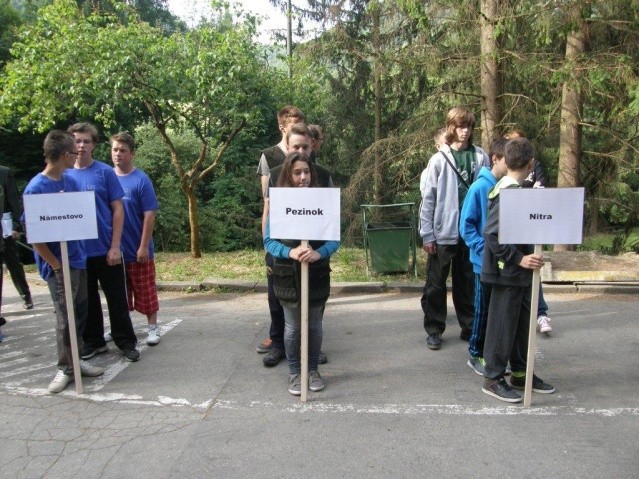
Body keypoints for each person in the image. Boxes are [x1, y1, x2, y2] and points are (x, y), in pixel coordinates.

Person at [23, 130, 105, 393]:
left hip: (78, 260)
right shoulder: (36, 188)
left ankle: (76, 361)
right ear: (63, 155)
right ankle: (65, 368)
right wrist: (57, 266)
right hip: (58, 266)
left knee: (79, 313)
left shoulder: (70, 181)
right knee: (64, 317)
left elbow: (81, 218)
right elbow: (35, 237)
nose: (78, 154)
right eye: (73, 151)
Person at [481, 137, 555, 403]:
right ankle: (493, 377)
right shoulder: (507, 194)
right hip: (507, 272)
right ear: (531, 164)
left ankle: (521, 374)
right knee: (502, 326)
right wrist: (519, 259)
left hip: (521, 274)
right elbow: (491, 234)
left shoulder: (519, 190)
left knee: (523, 325)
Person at [263, 152, 340, 395]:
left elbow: (335, 238)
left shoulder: (323, 201)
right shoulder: (279, 203)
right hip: (288, 276)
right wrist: (290, 252)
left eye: (306, 172)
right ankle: (295, 373)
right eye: (297, 173)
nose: (303, 177)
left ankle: (312, 370)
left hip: (316, 273)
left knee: (314, 325)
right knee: (293, 327)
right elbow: (268, 241)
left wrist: (320, 253)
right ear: (289, 175)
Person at [66, 122, 140, 362]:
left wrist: (115, 246)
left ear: (94, 145)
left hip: (106, 248)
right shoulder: (64, 174)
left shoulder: (105, 172)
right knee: (86, 301)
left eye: (86, 141)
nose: (81, 146)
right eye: (77, 141)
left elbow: (118, 210)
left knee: (117, 299)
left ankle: (126, 342)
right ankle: (94, 342)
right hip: (79, 252)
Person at [260, 122, 331, 367]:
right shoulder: (276, 174)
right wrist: (272, 249)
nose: (301, 151)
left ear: (312, 146)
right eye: (296, 147)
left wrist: (320, 252)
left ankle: (311, 353)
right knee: (280, 304)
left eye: (305, 147)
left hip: (315, 256)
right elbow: (268, 211)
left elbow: (329, 222)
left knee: (314, 313)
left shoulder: (323, 174)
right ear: (287, 147)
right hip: (284, 254)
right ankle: (279, 345)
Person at [419, 107, 490, 350]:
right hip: (443, 232)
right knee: (436, 283)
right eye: (460, 126)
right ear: (451, 128)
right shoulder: (439, 159)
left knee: (467, 282)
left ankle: (469, 327)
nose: (465, 131)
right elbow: (428, 199)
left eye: (468, 126)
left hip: (470, 231)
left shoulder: (480, 156)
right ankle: (434, 329)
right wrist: (427, 234)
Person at [459, 138, 508, 376]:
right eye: (508, 160)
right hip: (482, 264)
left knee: (496, 311)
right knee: (482, 310)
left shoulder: (507, 187)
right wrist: (483, 249)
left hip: (502, 261)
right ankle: (475, 353)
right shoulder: (479, 188)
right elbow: (466, 227)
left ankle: (491, 354)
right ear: (495, 159)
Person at [109, 132, 161, 346]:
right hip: (115, 251)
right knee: (118, 295)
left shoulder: (141, 179)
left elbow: (149, 214)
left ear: (132, 154)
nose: (118, 154)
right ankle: (120, 329)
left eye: (122, 150)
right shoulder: (107, 177)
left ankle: (153, 328)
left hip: (137, 248)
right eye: (115, 149)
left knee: (145, 290)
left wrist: (143, 246)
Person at [504, 129, 552, 334]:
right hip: (513, 224)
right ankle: (519, 316)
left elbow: (540, 188)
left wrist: (527, 190)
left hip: (530, 221)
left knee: (533, 265)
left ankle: (541, 313)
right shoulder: (505, 173)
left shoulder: (534, 165)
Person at [0, 164, 33, 311]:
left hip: (5, 227)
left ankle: (25, 294)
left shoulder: (4, 173)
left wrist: (15, 226)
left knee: (13, 263)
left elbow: (13, 201)